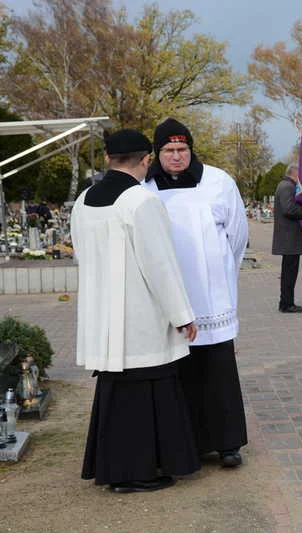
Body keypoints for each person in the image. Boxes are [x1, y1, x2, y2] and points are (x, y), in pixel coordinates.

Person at [72, 129, 199, 493]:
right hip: (139, 314)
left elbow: (82, 253)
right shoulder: (141, 202)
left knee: (117, 393)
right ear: (146, 159)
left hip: (103, 313)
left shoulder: (84, 200)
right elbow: (160, 266)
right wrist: (182, 314)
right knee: (145, 393)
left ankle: (115, 469)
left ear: (109, 159)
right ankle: (140, 471)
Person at [144, 118, 249, 468]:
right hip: (169, 298)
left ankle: (227, 443)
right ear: (157, 154)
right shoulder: (144, 189)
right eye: (169, 151)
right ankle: (186, 443)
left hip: (211, 296)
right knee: (179, 373)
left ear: (192, 150)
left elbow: (238, 236)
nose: (177, 157)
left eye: (183, 149)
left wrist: (220, 276)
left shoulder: (218, 182)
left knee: (217, 372)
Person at [271, 164, 302, 313]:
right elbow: (289, 209)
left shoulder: (285, 185)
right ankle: (287, 304)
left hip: (288, 239)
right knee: (289, 273)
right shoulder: (288, 187)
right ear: (295, 173)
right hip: (289, 239)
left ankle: (287, 301)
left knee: (289, 271)